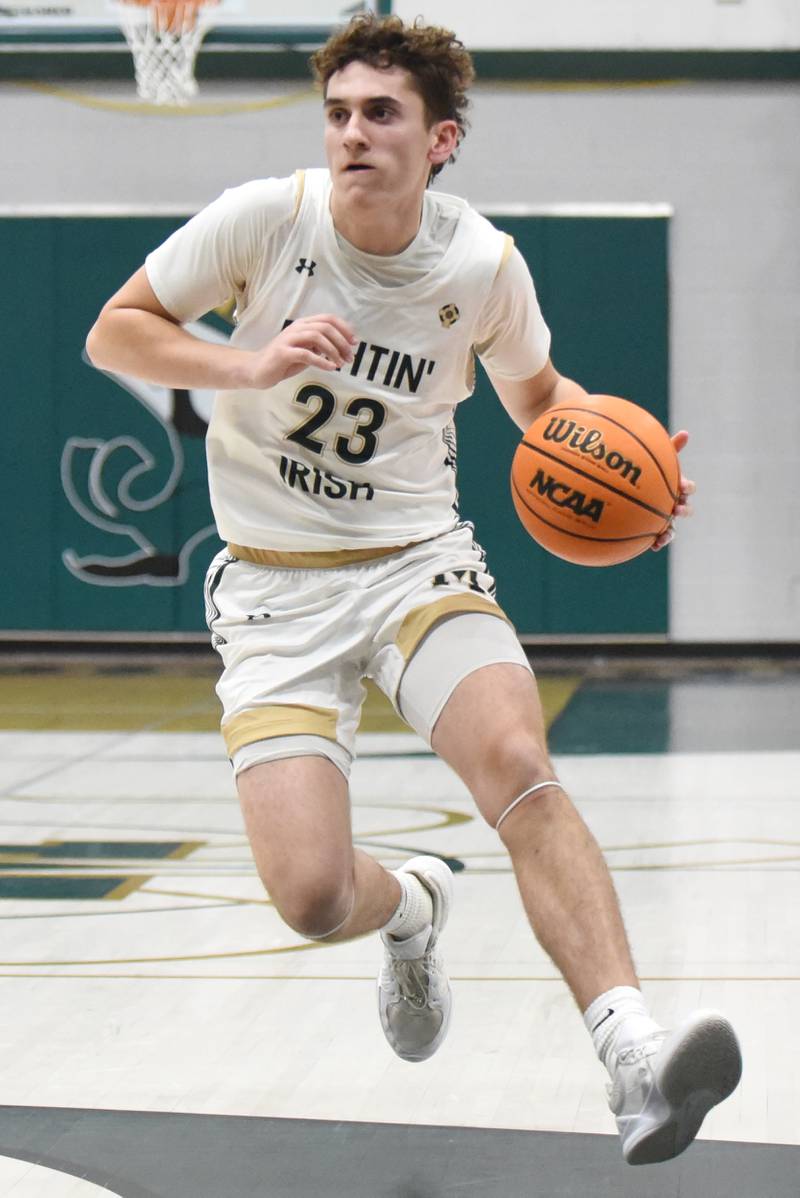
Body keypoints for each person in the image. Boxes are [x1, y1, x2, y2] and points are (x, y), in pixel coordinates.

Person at [86, 13, 741, 1166]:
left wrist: (632, 469)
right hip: (273, 594)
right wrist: (246, 362)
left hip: (411, 563)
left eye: (379, 113)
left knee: (519, 767)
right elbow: (116, 330)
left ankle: (631, 1054)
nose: (351, 133)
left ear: (438, 139)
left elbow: (541, 405)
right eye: (337, 112)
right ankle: (412, 910)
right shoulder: (264, 220)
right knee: (308, 896)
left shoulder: (478, 264)